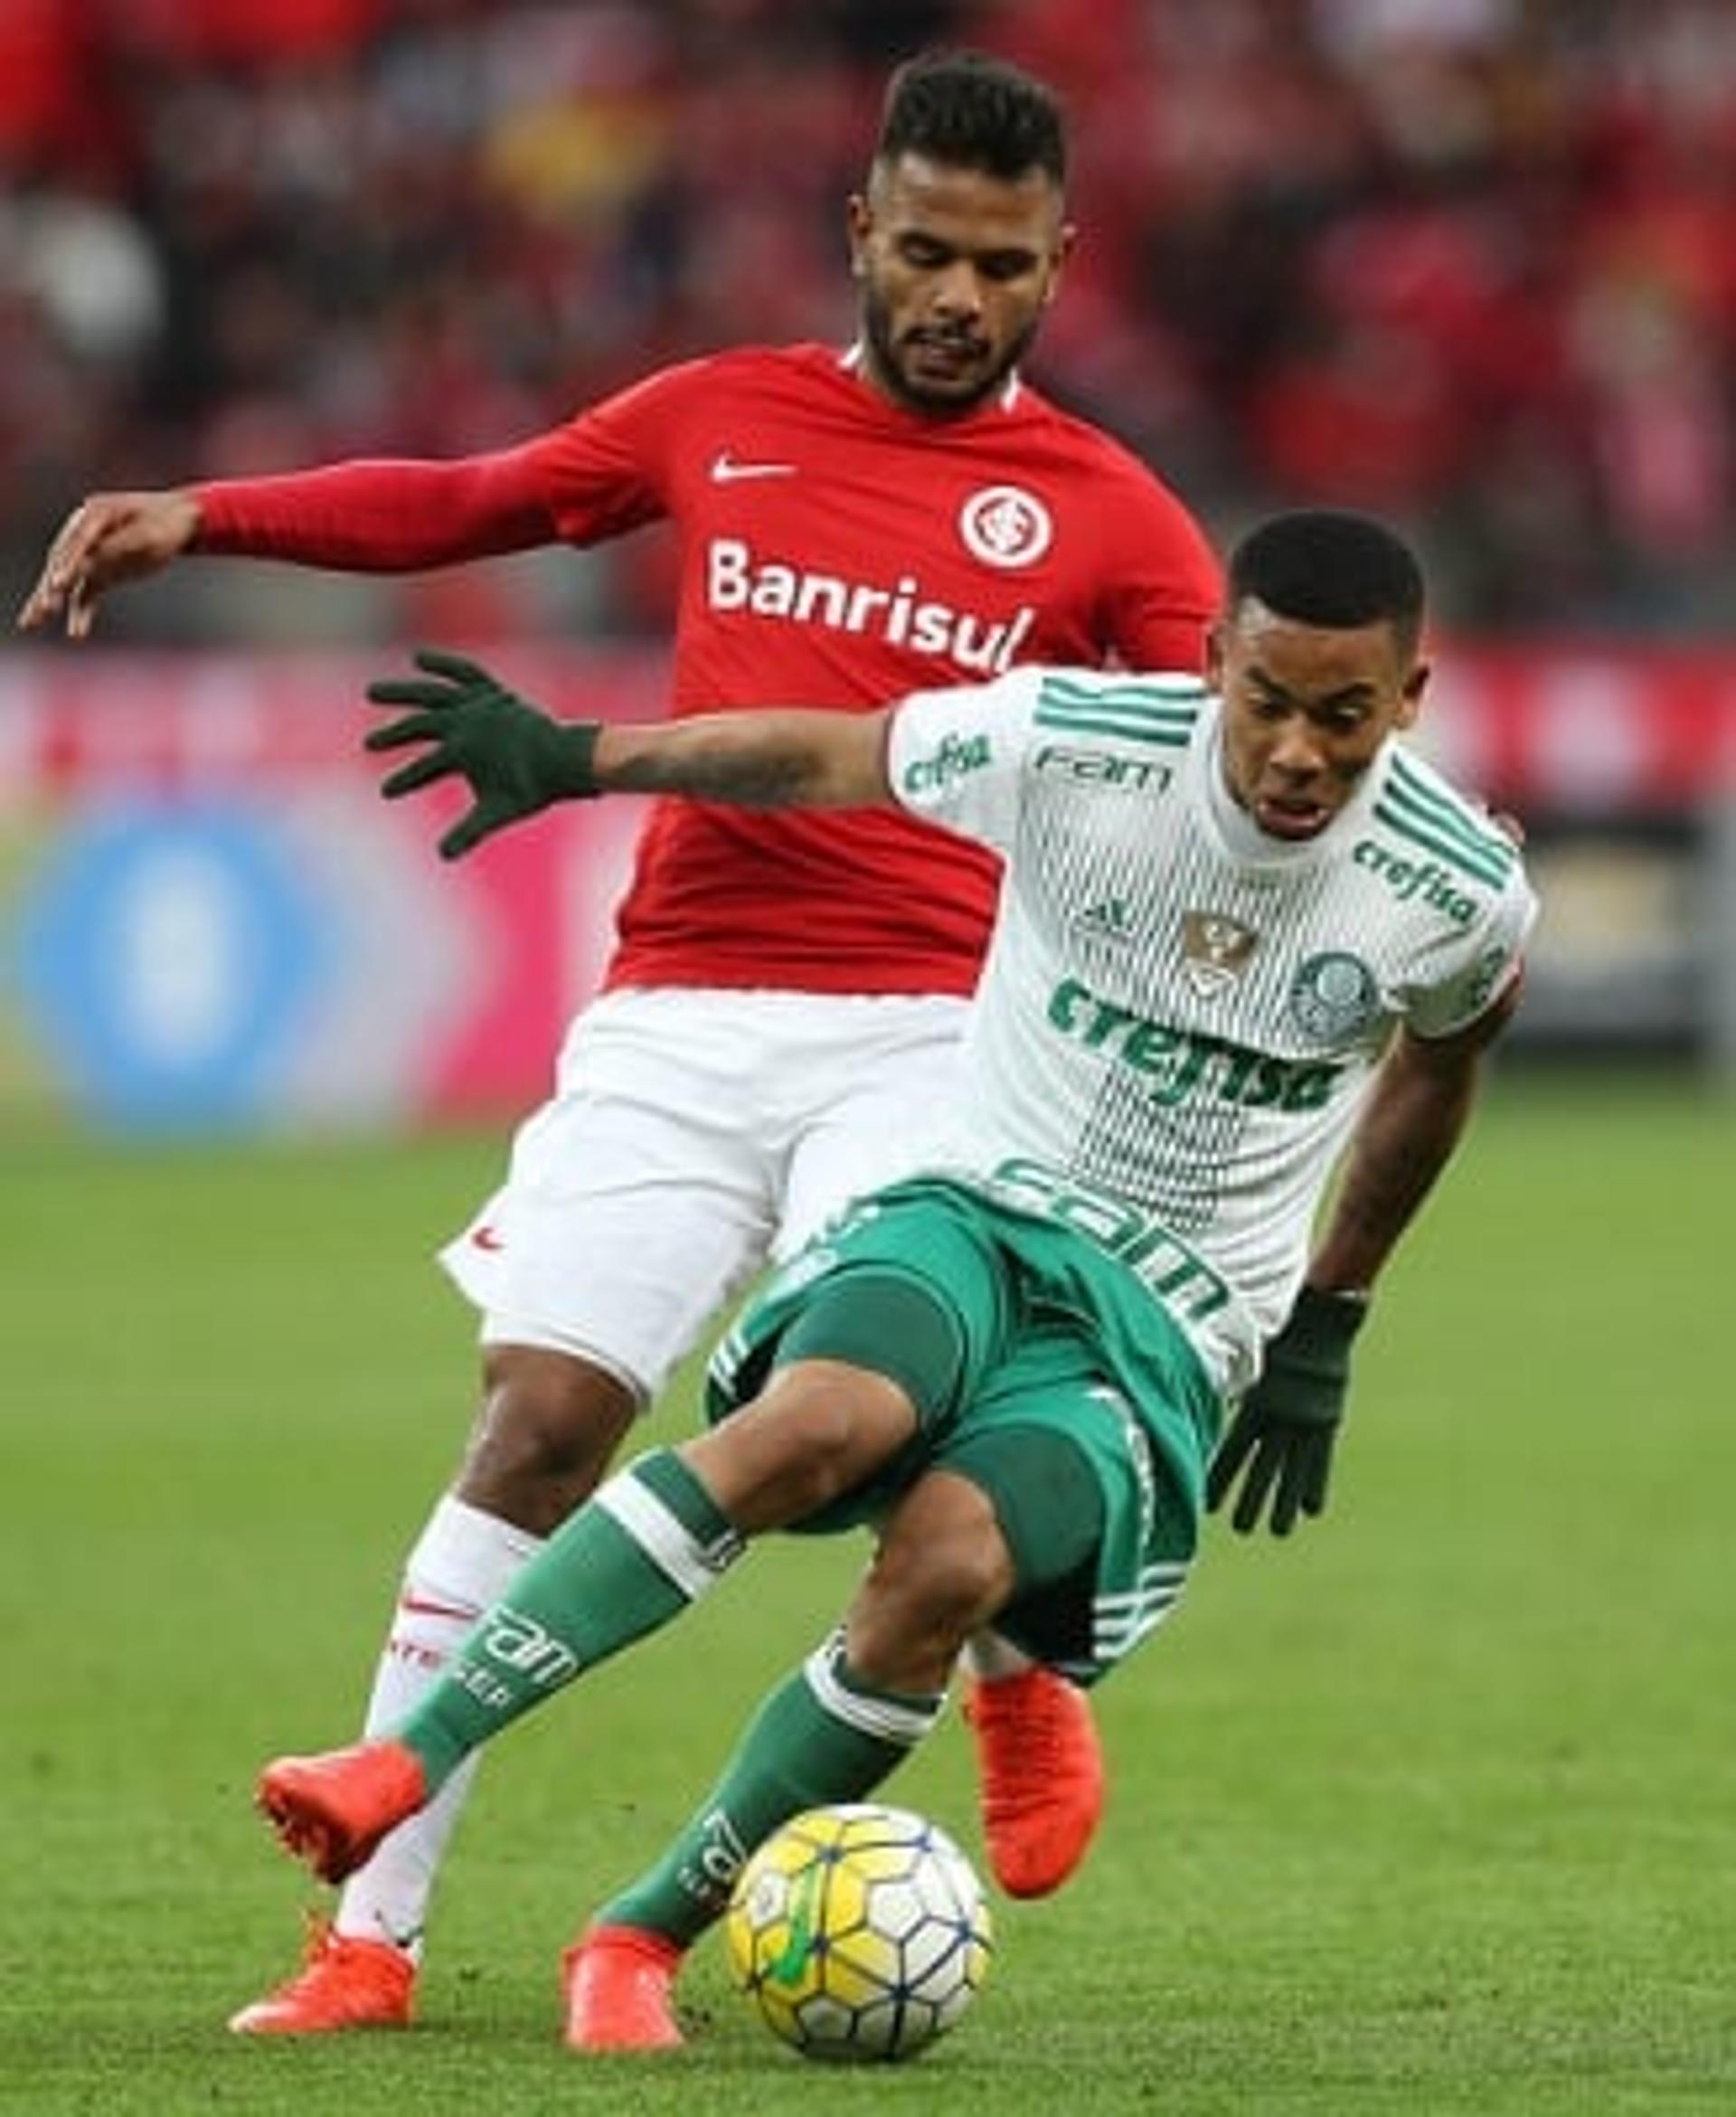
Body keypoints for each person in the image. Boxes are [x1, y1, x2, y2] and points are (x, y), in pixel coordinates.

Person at [16, 51, 1223, 2036]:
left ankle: (1010, 1663)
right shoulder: (720, 414)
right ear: (861, 229)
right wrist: (202, 517)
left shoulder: (1111, 514)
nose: (956, 298)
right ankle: (367, 1940)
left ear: (1060, 264)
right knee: (539, 1425)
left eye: (1003, 268)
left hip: (934, 1029)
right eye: (923, 249)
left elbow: (1237, 752)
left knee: (887, 1394)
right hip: (678, 1008)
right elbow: (478, 495)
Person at [251, 507, 1536, 2052]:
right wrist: (586, 754)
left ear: (1412, 698)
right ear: (1213, 663)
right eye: (1266, 699)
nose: (1297, 752)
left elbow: (1438, 1065)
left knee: (942, 1571)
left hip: (1169, 1323)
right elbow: (828, 757)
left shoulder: (1459, 888)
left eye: (1344, 715)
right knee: (815, 1427)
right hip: (974, 1208)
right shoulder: (1075, 741)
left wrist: (1332, 1310)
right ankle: (397, 1762)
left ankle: (637, 1936)